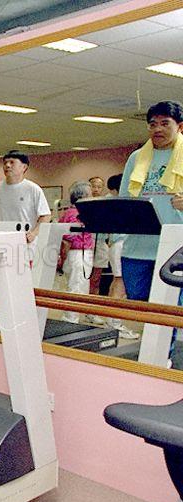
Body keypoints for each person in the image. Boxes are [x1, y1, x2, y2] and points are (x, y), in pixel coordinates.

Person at [118, 101, 183, 362]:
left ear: (179, 126)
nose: (157, 129)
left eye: (164, 123)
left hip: (175, 247)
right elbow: (124, 196)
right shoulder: (137, 157)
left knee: (168, 307)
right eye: (152, 124)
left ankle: (160, 357)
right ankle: (157, 349)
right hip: (138, 245)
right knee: (140, 302)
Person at [103, 174, 139, 339]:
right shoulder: (118, 204)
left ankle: (111, 320)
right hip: (120, 245)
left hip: (117, 244)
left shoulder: (115, 204)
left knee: (116, 282)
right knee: (120, 283)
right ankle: (115, 324)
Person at [0, 150, 51, 243]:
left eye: (12, 162)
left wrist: (34, 233)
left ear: (24, 167)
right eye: (5, 163)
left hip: (25, 241)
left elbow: (46, 216)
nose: (7, 165)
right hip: (3, 240)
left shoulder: (33, 189)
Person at [58, 182, 94, 324]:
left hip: (80, 253)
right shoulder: (76, 214)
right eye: (90, 194)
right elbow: (68, 238)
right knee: (77, 287)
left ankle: (74, 317)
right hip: (78, 253)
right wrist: (63, 257)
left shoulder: (69, 212)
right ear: (83, 196)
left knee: (80, 286)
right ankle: (70, 319)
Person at [85, 176, 110, 325]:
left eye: (99, 186)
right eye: (93, 186)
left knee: (96, 279)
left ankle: (91, 311)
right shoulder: (84, 204)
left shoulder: (104, 205)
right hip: (87, 243)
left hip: (100, 243)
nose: (96, 189)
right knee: (84, 279)